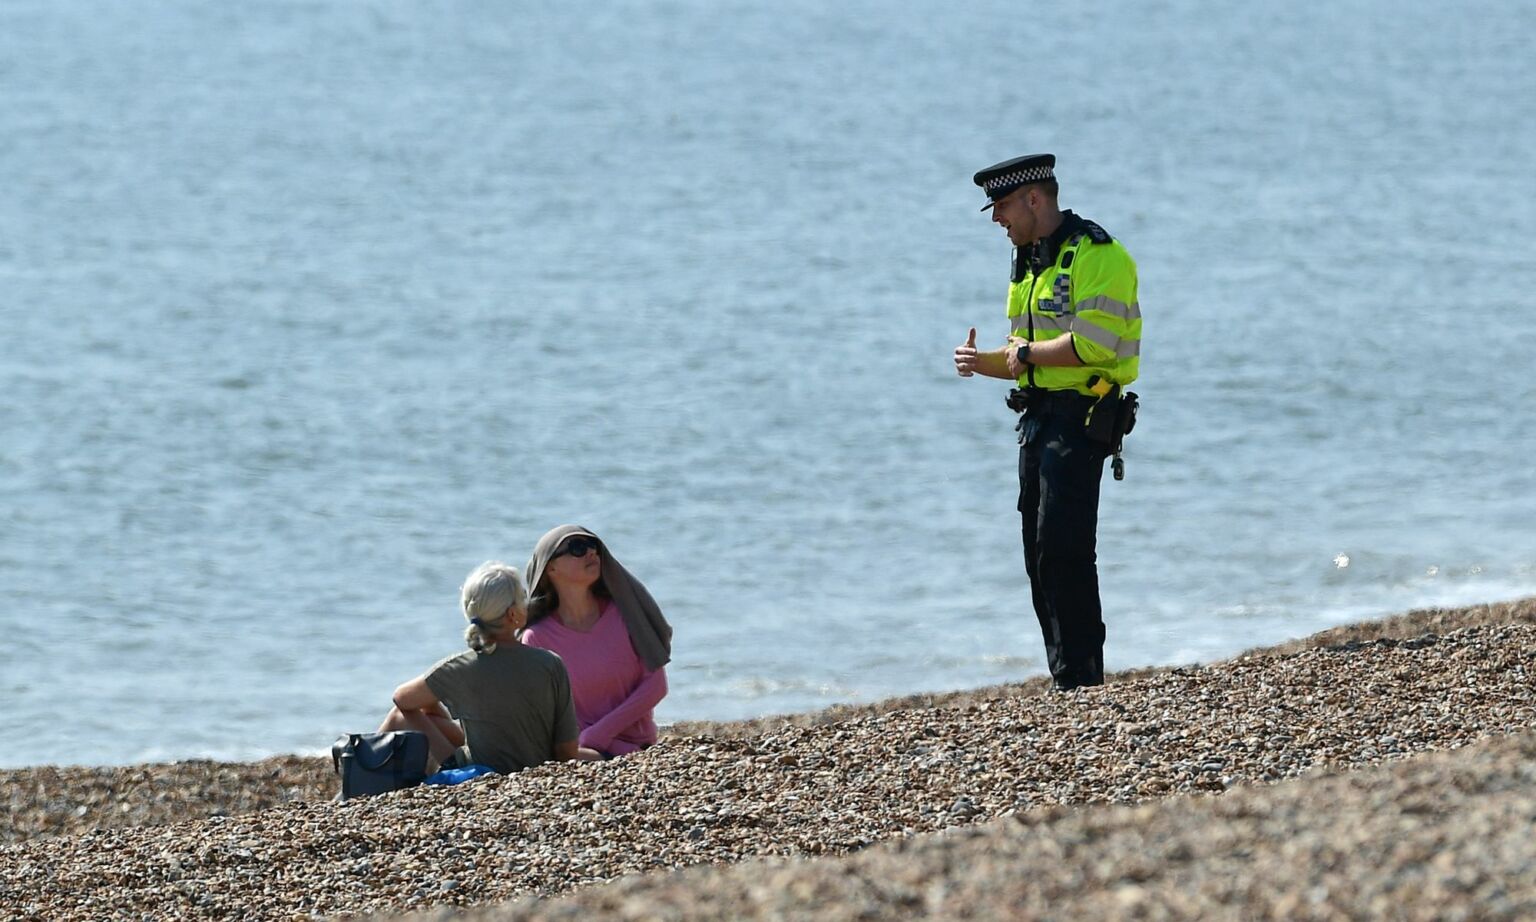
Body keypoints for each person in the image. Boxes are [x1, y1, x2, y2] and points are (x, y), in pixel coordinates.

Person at [953, 153, 1142, 691]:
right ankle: (1067, 675)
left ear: (1035, 198)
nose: (996, 218)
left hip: (1083, 416)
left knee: (1065, 547)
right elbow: (1023, 358)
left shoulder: (1097, 254)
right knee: (1039, 552)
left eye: (1003, 205)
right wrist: (980, 363)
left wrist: (1028, 356)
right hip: (1038, 420)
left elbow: (1093, 345)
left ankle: (1083, 677)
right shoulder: (1029, 262)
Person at [379, 561, 582, 773]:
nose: (527, 601)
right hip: (535, 775)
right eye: (523, 596)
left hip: (478, 775)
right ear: (513, 614)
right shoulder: (550, 664)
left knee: (403, 714)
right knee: (431, 716)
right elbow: (567, 750)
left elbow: (401, 698)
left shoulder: (459, 667)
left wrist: (433, 706)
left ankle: (358, 774)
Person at [521, 525, 672, 758]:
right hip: (580, 752)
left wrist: (599, 736)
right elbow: (543, 716)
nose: (591, 553)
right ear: (550, 567)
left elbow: (657, 686)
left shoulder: (624, 615)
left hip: (637, 749)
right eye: (577, 548)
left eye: (593, 546)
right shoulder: (536, 638)